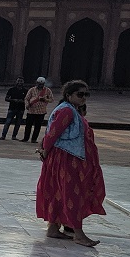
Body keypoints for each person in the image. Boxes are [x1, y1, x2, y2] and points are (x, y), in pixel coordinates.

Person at [36, 80, 105, 247]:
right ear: (69, 95)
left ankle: (53, 228)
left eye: (86, 95)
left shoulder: (71, 110)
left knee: (59, 193)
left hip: (67, 157)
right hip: (65, 159)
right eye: (80, 94)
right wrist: (44, 150)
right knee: (71, 194)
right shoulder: (67, 110)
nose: (84, 98)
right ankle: (79, 234)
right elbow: (53, 133)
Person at [23, 77, 54, 143]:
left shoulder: (47, 90)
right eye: (39, 84)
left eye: (41, 84)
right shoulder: (32, 90)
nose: (40, 85)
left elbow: (51, 99)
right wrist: (27, 105)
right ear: (36, 83)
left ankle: (34, 139)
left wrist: (45, 100)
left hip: (41, 111)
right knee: (28, 126)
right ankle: (26, 138)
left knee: (37, 126)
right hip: (31, 110)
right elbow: (26, 98)